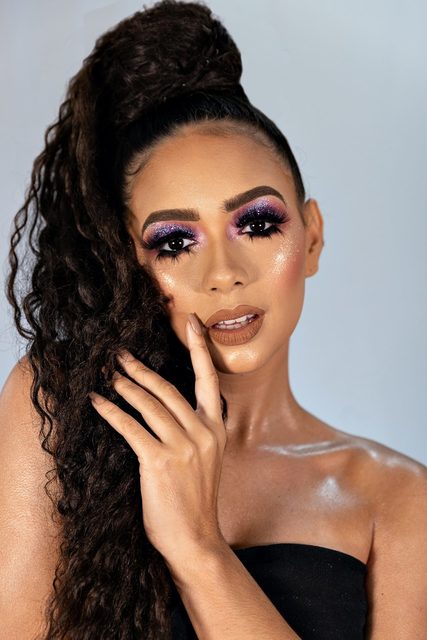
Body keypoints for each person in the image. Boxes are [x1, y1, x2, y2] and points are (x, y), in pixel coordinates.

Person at [1, 1, 426, 638]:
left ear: (311, 237)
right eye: (175, 242)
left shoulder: (398, 498)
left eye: (257, 224)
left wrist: (197, 548)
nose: (223, 274)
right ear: (129, 263)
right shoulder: (63, 411)